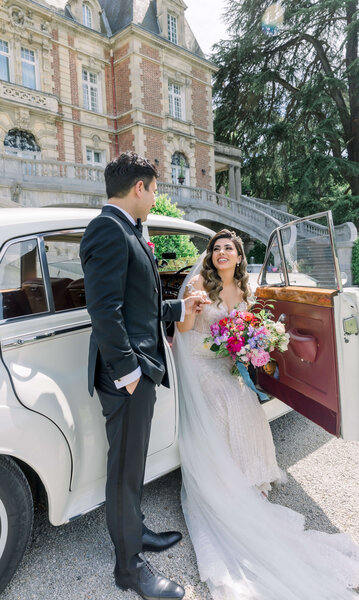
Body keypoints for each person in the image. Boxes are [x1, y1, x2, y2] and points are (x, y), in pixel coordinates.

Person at [174, 229, 359, 600]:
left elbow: (244, 332)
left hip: (223, 364)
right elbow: (184, 330)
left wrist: (254, 345)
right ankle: (227, 484)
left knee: (244, 402)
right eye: (216, 248)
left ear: (239, 257)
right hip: (195, 363)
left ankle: (249, 478)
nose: (222, 253)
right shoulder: (198, 285)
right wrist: (189, 310)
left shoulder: (246, 291)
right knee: (229, 399)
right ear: (210, 256)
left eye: (229, 248)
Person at [80, 152, 208, 600]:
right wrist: (130, 372)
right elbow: (104, 310)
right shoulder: (107, 230)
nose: (155, 199)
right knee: (123, 470)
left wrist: (180, 307)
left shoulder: (127, 231)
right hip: (127, 375)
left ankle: (134, 531)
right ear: (139, 187)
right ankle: (129, 568)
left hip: (138, 370)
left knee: (133, 464)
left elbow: (141, 306)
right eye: (154, 190)